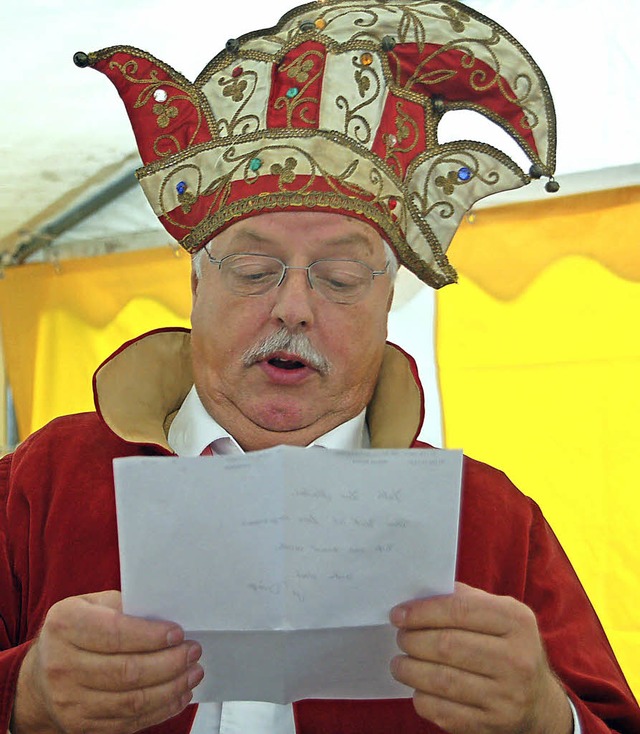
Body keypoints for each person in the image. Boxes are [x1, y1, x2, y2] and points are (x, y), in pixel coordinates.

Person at [2, 2, 639, 734]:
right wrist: (27, 697)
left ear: (385, 304)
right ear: (195, 285)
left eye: (340, 277)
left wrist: (545, 714)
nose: (294, 307)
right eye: (251, 267)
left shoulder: (489, 518)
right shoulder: (43, 483)